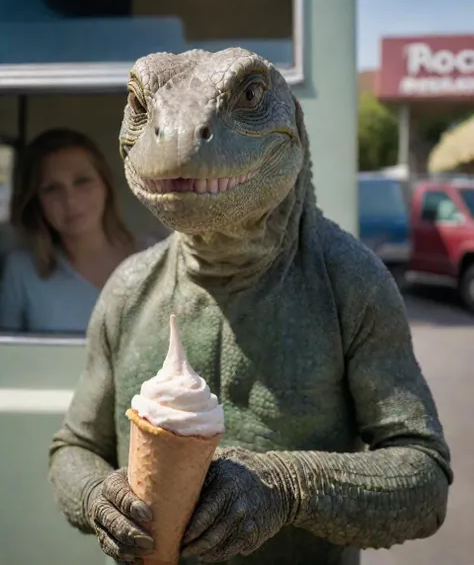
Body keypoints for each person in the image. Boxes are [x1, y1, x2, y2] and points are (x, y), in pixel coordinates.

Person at [48, 49, 452, 565]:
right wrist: (95, 495)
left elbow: (424, 477)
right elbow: (74, 449)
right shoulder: (129, 290)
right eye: (140, 106)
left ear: (296, 130)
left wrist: (289, 487)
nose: (176, 135)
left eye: (251, 97)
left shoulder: (350, 282)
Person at [0, 128, 137, 334]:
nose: (70, 201)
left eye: (82, 181)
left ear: (105, 185)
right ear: (37, 201)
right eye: (52, 189)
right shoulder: (21, 271)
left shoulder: (151, 257)